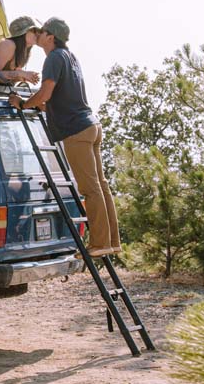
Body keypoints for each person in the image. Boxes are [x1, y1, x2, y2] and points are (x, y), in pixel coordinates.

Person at [9, 17, 121, 258]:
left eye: (42, 31)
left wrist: (23, 104)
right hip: (90, 125)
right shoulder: (70, 57)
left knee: (89, 189)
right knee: (101, 185)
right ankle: (112, 241)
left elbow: (46, 92)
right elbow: (59, 99)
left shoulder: (53, 58)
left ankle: (100, 243)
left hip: (76, 131)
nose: (38, 34)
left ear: (51, 37)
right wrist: (41, 107)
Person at [0, 16, 42, 85]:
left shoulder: (26, 52)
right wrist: (21, 74)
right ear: (22, 32)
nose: (38, 34)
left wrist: (24, 77)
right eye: (34, 31)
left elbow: (8, 76)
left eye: (39, 31)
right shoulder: (8, 45)